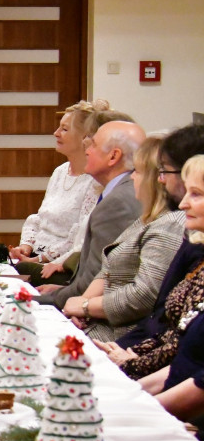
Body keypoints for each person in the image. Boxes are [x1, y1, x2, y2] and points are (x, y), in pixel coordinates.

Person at [59, 135, 184, 341]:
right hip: (98, 323)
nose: (132, 177)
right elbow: (107, 269)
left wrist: (85, 306)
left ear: (156, 179)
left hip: (119, 335)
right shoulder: (147, 219)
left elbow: (143, 295)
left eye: (137, 171)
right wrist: (81, 304)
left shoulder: (169, 225)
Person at [36, 119, 146, 309]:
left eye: (93, 144)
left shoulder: (117, 202)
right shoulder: (119, 191)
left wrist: (39, 301)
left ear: (113, 156)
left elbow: (98, 277)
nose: (86, 150)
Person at [135, 154, 204, 421]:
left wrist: (137, 413)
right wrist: (128, 394)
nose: (184, 203)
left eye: (196, 194)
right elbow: (185, 362)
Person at [10, 100, 107, 286]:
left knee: (17, 273)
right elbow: (40, 218)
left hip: (60, 264)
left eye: (64, 129)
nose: (56, 133)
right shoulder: (60, 171)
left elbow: (80, 238)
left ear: (84, 137)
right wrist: (26, 247)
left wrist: (39, 260)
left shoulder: (95, 181)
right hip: (36, 255)